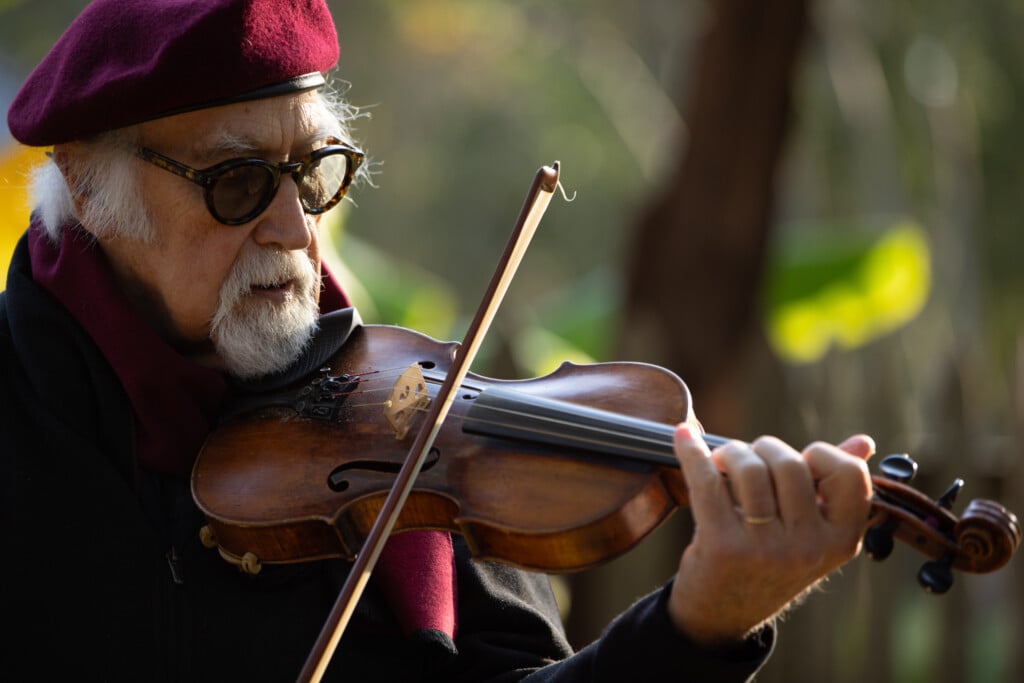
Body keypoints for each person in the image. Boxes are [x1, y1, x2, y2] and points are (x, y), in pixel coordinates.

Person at [0, 1, 876, 680]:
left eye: (314, 173)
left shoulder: (417, 426)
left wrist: (697, 626)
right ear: (86, 184)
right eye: (237, 183)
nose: (297, 231)